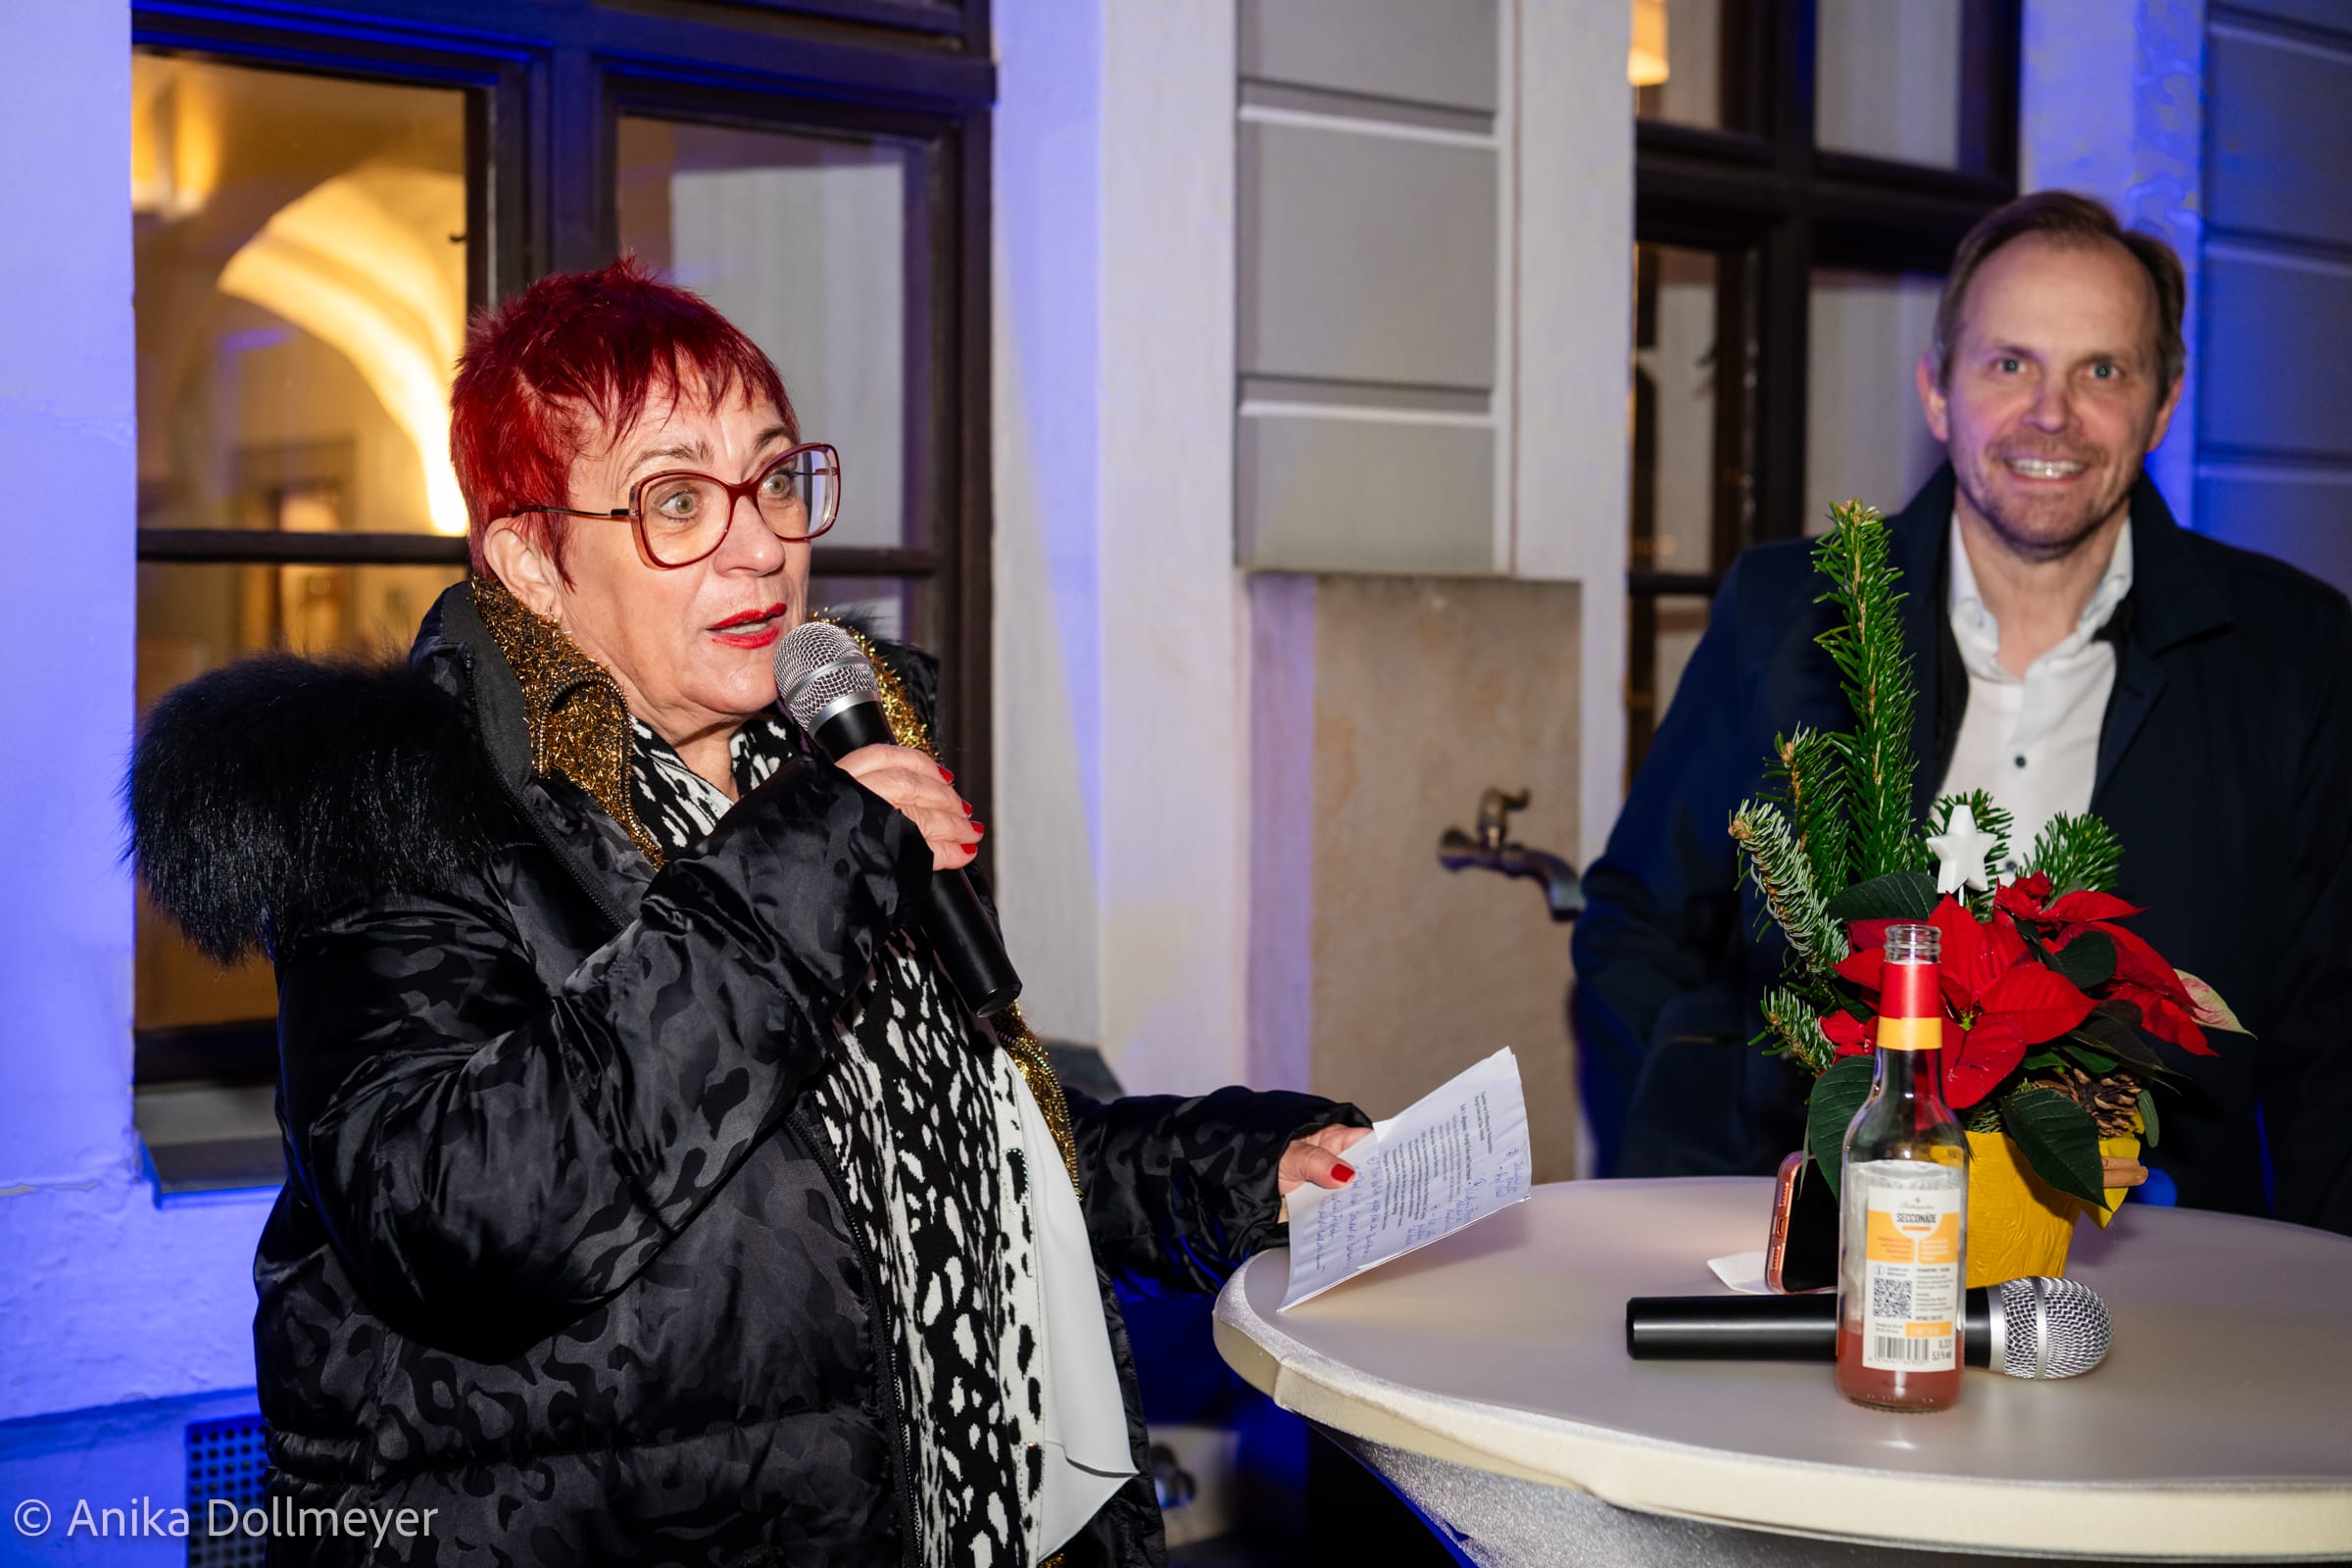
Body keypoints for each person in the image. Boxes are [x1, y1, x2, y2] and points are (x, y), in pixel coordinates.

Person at [129, 258, 1370, 1567]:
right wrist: (806, 865)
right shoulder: (398, 819)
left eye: (777, 479)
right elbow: (457, 1224)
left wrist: (1240, 1173)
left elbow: (966, 1166)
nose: (763, 543)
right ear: (533, 561)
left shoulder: (830, 767)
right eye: (677, 500)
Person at [1572, 192, 2352, 1235]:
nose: (2052, 413)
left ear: (2164, 404)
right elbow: (1638, 927)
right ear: (1938, 391)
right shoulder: (1789, 618)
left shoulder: (2294, 656)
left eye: (2103, 371)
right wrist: (1711, 1200)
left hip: (2153, 1277)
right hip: (1816, 1270)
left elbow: (2331, 1043)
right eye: (2010, 363)